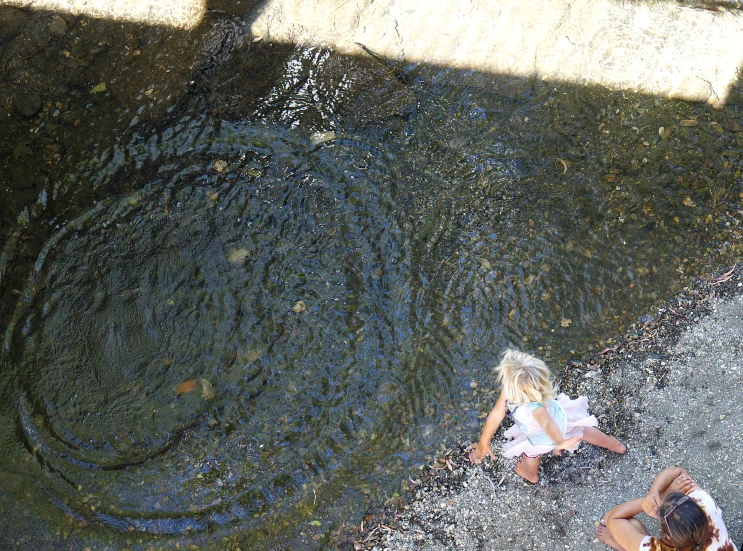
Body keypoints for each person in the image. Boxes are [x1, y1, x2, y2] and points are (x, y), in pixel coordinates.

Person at [469, 349, 626, 483]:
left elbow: (546, 424)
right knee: (584, 431)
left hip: (543, 439)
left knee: (531, 454)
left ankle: (531, 475)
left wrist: (559, 442)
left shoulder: (534, 408)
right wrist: (483, 442)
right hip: (562, 419)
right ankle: (614, 446)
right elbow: (498, 413)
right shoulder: (534, 391)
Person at [597, 466, 738, 551]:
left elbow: (612, 517)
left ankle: (621, 547)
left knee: (633, 524)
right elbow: (678, 472)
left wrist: (653, 498)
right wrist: (655, 494)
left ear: (667, 538)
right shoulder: (707, 507)